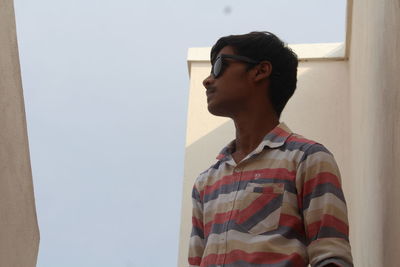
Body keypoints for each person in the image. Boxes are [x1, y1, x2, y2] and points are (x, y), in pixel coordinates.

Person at [188, 31, 353, 267]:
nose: (208, 80)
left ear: (260, 71)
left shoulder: (307, 158)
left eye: (219, 65)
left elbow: (332, 256)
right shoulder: (205, 182)